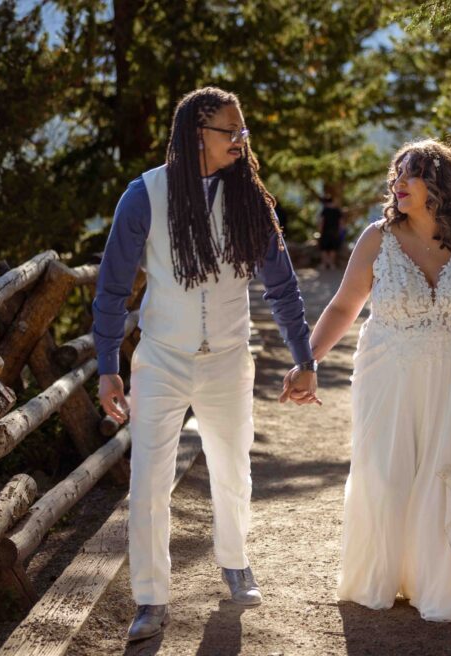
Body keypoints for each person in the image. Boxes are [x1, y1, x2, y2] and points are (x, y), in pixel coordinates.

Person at [92, 87, 319, 642]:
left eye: (243, 131)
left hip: (227, 359)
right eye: (230, 132)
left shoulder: (252, 201)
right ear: (198, 135)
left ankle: (236, 562)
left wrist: (304, 359)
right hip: (161, 360)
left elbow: (282, 288)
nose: (242, 140)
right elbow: (112, 287)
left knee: (232, 468)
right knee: (147, 482)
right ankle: (150, 599)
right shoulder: (144, 196)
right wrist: (106, 365)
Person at [284, 139, 451, 621]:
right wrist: (307, 361)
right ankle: (382, 576)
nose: (398, 185)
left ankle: (440, 587)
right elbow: (343, 306)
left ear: (438, 184)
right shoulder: (378, 239)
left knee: (447, 481)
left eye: (411, 175)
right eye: (396, 176)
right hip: (388, 372)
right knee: (385, 473)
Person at [317, 195, 344, 270]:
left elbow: (322, 222)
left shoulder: (325, 210)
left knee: (324, 248)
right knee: (333, 249)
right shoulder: (337, 211)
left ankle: (324, 264)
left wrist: (320, 231)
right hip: (335, 232)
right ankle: (332, 264)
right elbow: (341, 223)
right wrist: (340, 231)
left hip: (325, 232)